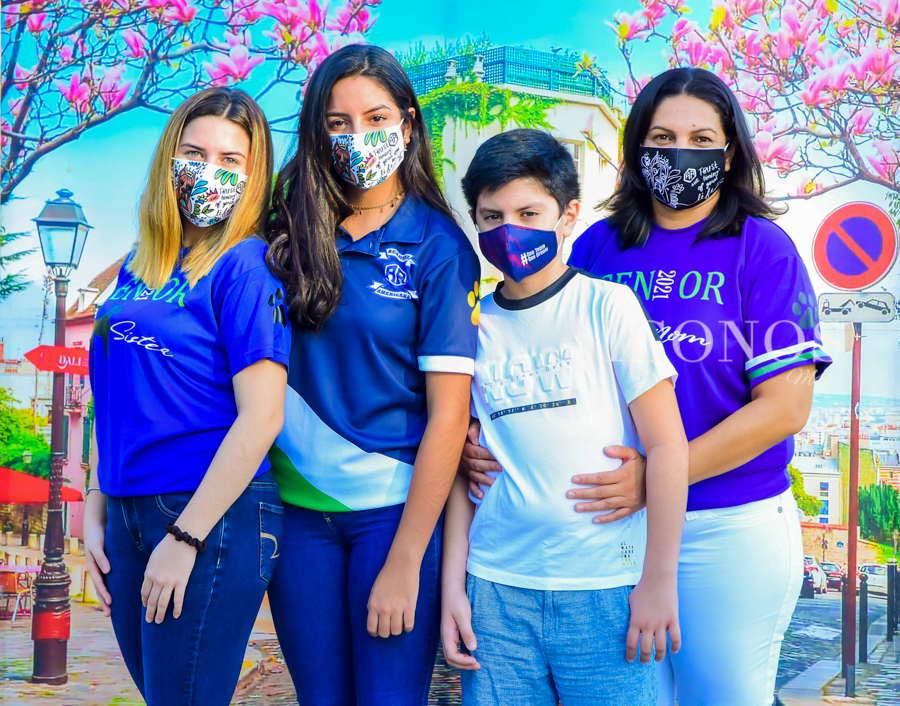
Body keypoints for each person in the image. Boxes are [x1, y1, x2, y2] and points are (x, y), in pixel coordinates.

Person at [461, 68, 833, 706]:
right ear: (637, 148)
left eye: (701, 138)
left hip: (725, 526)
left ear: (730, 152)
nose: (680, 152)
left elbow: (785, 408)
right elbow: (536, 353)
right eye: (662, 137)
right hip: (611, 535)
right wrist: (479, 438)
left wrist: (656, 476)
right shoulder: (598, 247)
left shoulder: (764, 249)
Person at [441, 129, 689, 705]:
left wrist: (659, 580)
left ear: (567, 215)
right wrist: (454, 587)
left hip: (606, 588)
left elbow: (668, 446)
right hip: (495, 591)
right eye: (492, 216)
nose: (510, 229)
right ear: (475, 221)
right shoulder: (469, 325)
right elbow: (462, 470)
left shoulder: (608, 306)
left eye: (529, 213)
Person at [264, 44, 479, 706]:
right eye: (338, 123)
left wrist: (408, 558)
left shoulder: (440, 247)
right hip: (296, 517)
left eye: (376, 117)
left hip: (392, 517)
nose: (358, 136)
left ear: (408, 124)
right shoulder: (285, 232)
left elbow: (450, 416)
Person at [83, 87, 290, 706]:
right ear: (169, 158)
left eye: (230, 160)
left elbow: (263, 415)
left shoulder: (247, 266)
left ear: (252, 175)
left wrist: (186, 537)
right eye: (195, 154)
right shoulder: (139, 265)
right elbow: (109, 391)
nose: (209, 171)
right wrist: (95, 499)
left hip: (208, 515)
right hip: (126, 511)